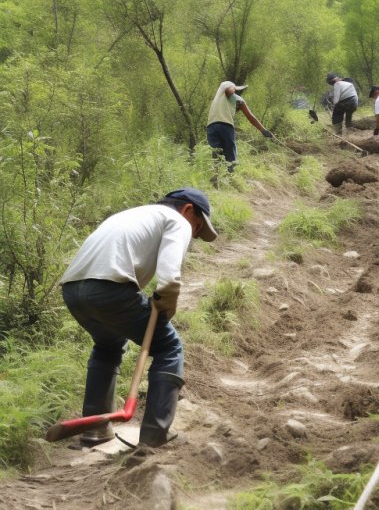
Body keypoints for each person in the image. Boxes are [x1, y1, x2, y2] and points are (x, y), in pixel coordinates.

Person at [60, 188, 218, 448]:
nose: (195, 235)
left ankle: (94, 431)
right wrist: (167, 302)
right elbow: (169, 276)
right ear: (188, 210)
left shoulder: (134, 215)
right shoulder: (177, 220)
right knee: (169, 347)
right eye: (198, 227)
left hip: (73, 290)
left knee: (108, 346)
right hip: (109, 289)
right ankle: (156, 436)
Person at [206, 80, 273, 171]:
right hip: (225, 126)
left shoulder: (218, 99)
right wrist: (263, 130)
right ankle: (231, 179)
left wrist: (264, 131)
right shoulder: (234, 95)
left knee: (217, 155)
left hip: (211, 127)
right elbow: (251, 117)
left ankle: (216, 179)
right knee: (231, 158)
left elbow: (251, 118)